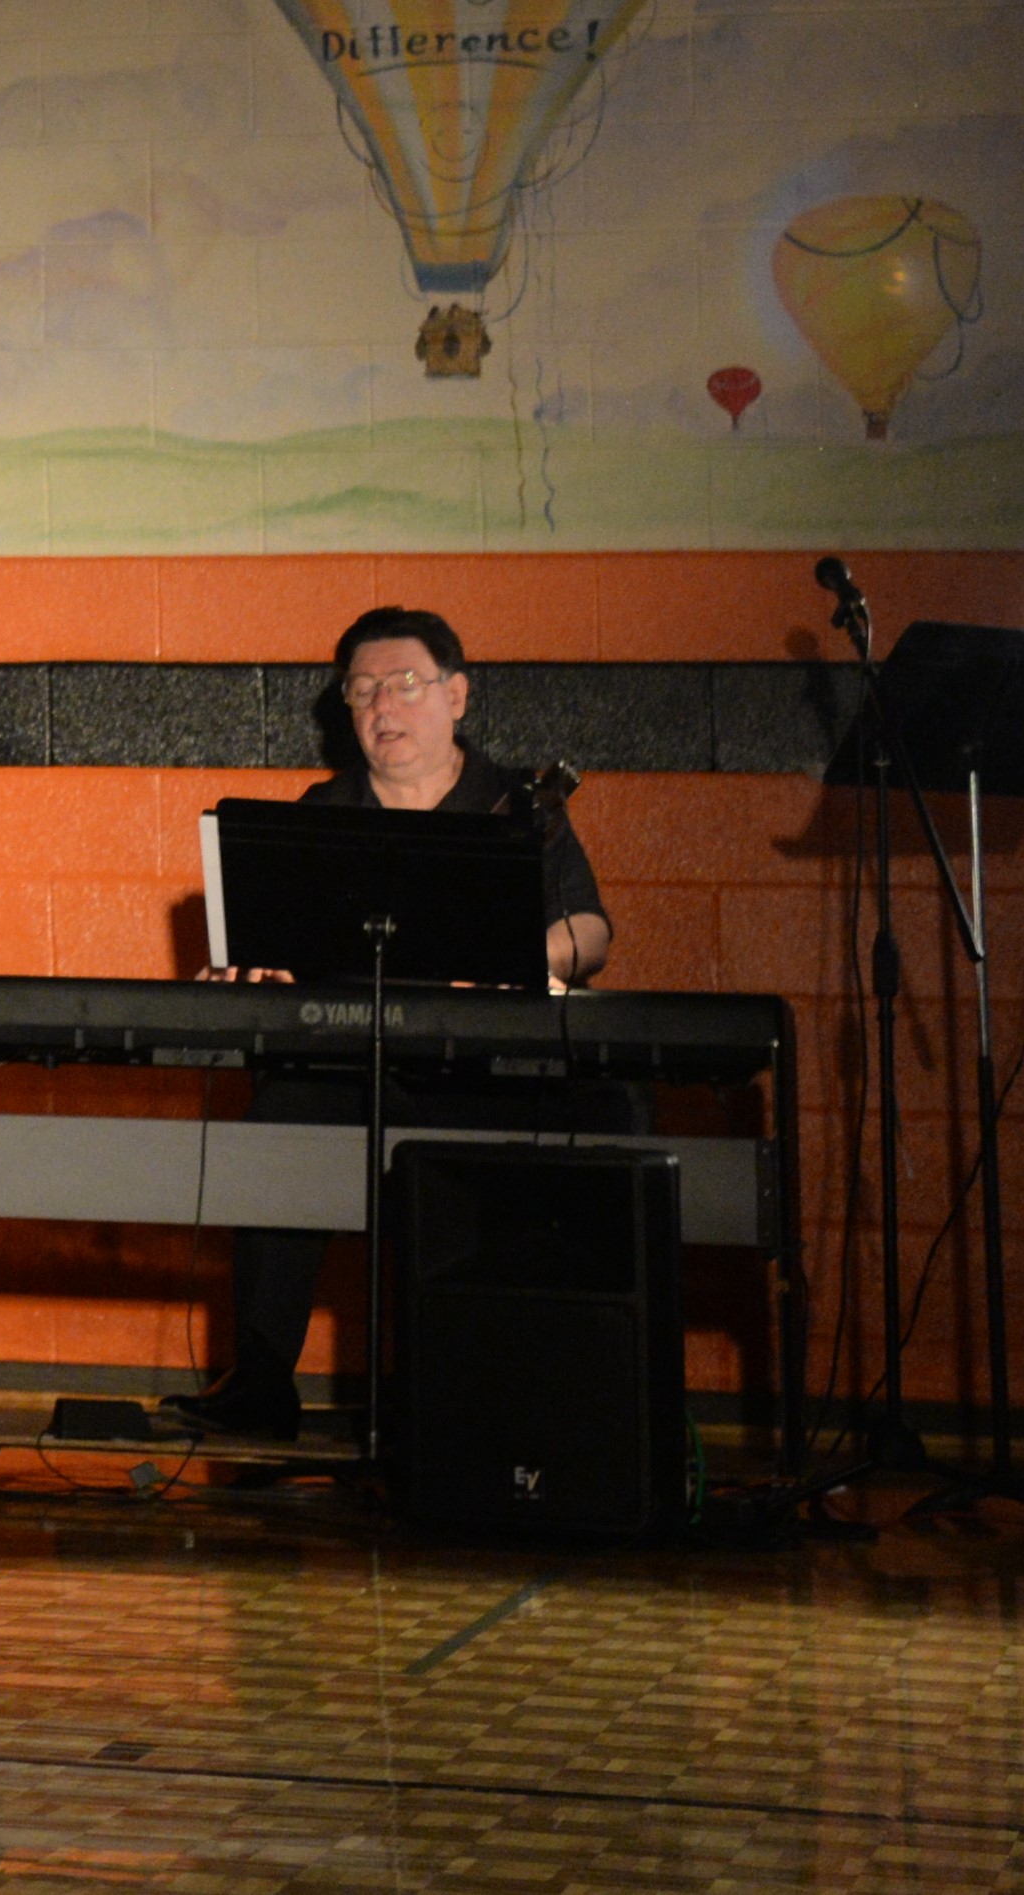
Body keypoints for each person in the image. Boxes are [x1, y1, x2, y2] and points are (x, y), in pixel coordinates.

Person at [170, 603, 626, 1442]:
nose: (383, 706)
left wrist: (526, 962)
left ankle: (505, 1403)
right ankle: (263, 1380)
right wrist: (256, 966)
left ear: (456, 694)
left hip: (480, 1072)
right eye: (363, 690)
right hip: (349, 1071)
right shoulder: (321, 808)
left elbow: (588, 930)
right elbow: (277, 949)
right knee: (279, 1118)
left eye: (405, 683)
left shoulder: (517, 807)